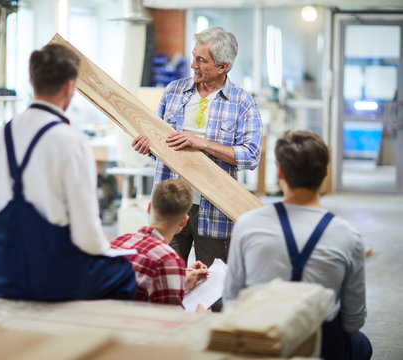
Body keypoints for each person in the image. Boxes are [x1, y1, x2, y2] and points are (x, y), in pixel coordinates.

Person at [0, 44, 136, 302]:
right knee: (126, 273)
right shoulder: (71, 141)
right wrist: (104, 245)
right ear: (70, 87)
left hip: (5, 279)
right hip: (56, 281)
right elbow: (86, 239)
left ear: (31, 81)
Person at [224, 130, 372, 360]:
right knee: (361, 345)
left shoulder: (247, 225)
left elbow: (231, 300)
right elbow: (353, 322)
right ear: (325, 173)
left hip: (261, 338)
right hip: (322, 343)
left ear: (280, 171)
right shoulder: (348, 236)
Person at [131, 26, 263, 266]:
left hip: (214, 210)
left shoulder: (242, 102)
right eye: (194, 56)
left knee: (213, 285)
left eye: (201, 60)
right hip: (170, 206)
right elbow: (158, 142)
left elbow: (251, 156)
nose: (193, 65)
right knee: (163, 276)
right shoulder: (174, 91)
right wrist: (147, 146)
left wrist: (202, 144)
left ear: (223, 66)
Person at [111, 179, 208, 307]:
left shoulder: (118, 242)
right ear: (183, 221)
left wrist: (180, 281)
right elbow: (171, 318)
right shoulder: (168, 261)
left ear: (149, 207)